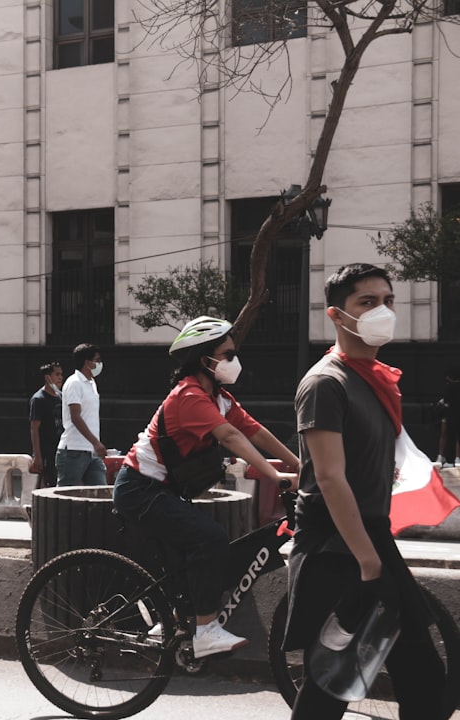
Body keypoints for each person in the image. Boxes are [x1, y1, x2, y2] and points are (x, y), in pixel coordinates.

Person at [284, 264, 450, 719]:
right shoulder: (325, 384)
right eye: (368, 302)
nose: (384, 310)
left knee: (409, 675)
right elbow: (331, 479)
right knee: (338, 681)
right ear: (337, 315)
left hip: (367, 537)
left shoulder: (370, 379)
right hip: (338, 546)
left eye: (388, 300)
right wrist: (368, 559)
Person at [113, 316, 298, 659]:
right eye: (227, 355)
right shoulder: (189, 396)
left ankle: (171, 620)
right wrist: (274, 477)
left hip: (161, 489)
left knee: (197, 551)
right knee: (209, 538)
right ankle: (206, 630)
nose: (234, 361)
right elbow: (229, 436)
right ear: (205, 360)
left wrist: (299, 465)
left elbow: (255, 431)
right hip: (139, 489)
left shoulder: (219, 398)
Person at [55, 343, 108, 486]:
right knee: (65, 495)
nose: (99, 364)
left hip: (91, 451)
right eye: (97, 360)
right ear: (87, 362)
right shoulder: (74, 383)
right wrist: (96, 442)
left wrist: (95, 444)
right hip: (73, 450)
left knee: (99, 492)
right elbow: (75, 417)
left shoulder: (91, 383)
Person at [29, 361, 64, 488]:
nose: (60, 378)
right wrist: (37, 455)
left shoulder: (61, 396)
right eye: (57, 374)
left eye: (61, 374)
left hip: (60, 449)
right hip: (46, 451)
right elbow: (34, 428)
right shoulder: (39, 399)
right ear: (48, 377)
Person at [442, 366, 459, 468]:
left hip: (452, 415)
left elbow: (446, 401)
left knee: (451, 437)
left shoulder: (450, 387)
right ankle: (458, 458)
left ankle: (450, 460)